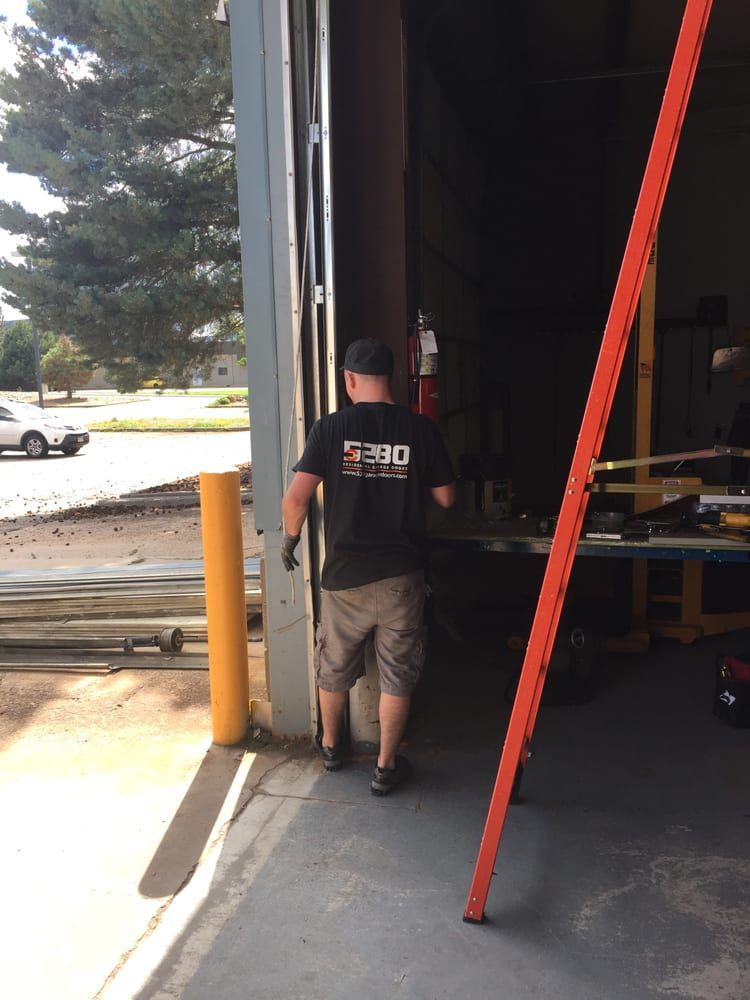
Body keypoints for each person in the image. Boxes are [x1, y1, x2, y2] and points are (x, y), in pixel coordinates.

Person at [280, 337, 455, 795]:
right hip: (401, 576)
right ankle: (385, 767)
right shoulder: (420, 430)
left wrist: (291, 539)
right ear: (391, 378)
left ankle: (333, 748)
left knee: (333, 666)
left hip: (344, 579)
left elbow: (296, 499)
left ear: (349, 380)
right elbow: (446, 497)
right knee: (397, 672)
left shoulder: (330, 429)